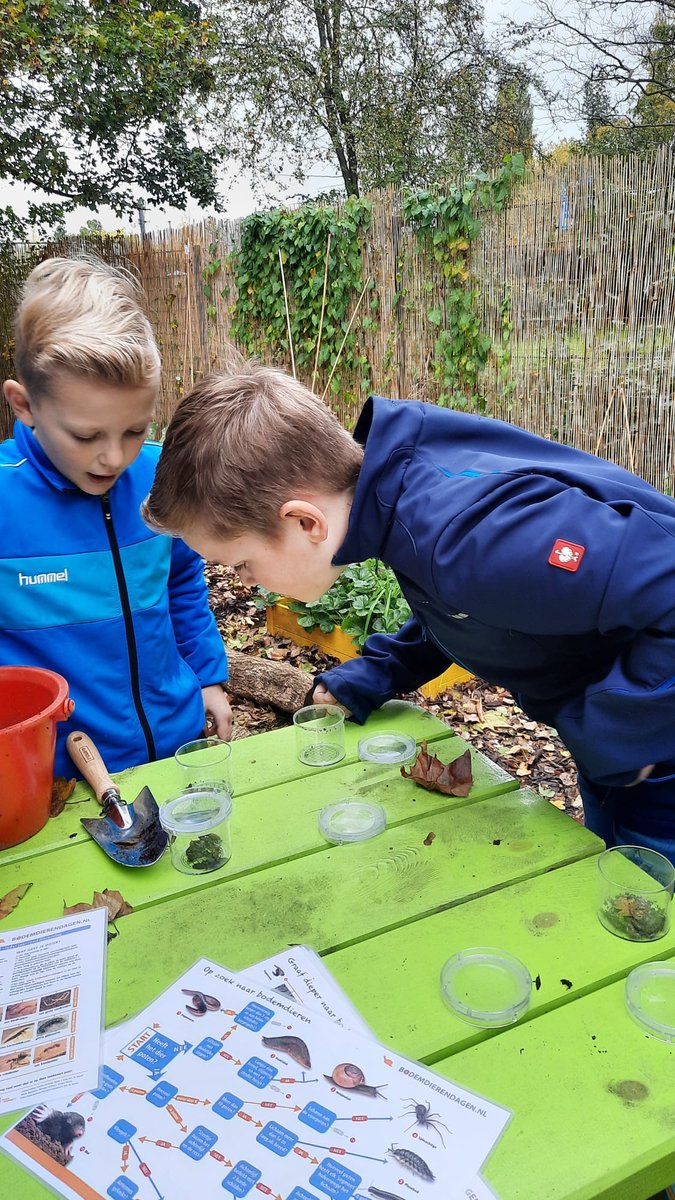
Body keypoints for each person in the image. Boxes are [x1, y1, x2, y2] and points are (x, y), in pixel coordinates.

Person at [142, 361, 675, 867]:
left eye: (243, 564)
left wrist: (617, 732)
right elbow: (467, 607)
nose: (245, 582)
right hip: (628, 751)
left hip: (658, 750)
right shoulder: (400, 505)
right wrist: (379, 672)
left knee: (648, 918)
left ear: (305, 523)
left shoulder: (470, 536)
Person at [0, 256, 231, 779]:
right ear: (24, 404)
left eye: (134, 430)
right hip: (57, 772)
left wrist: (208, 679)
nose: (114, 458)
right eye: (85, 436)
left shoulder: (157, 473)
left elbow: (181, 582)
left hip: (176, 741)